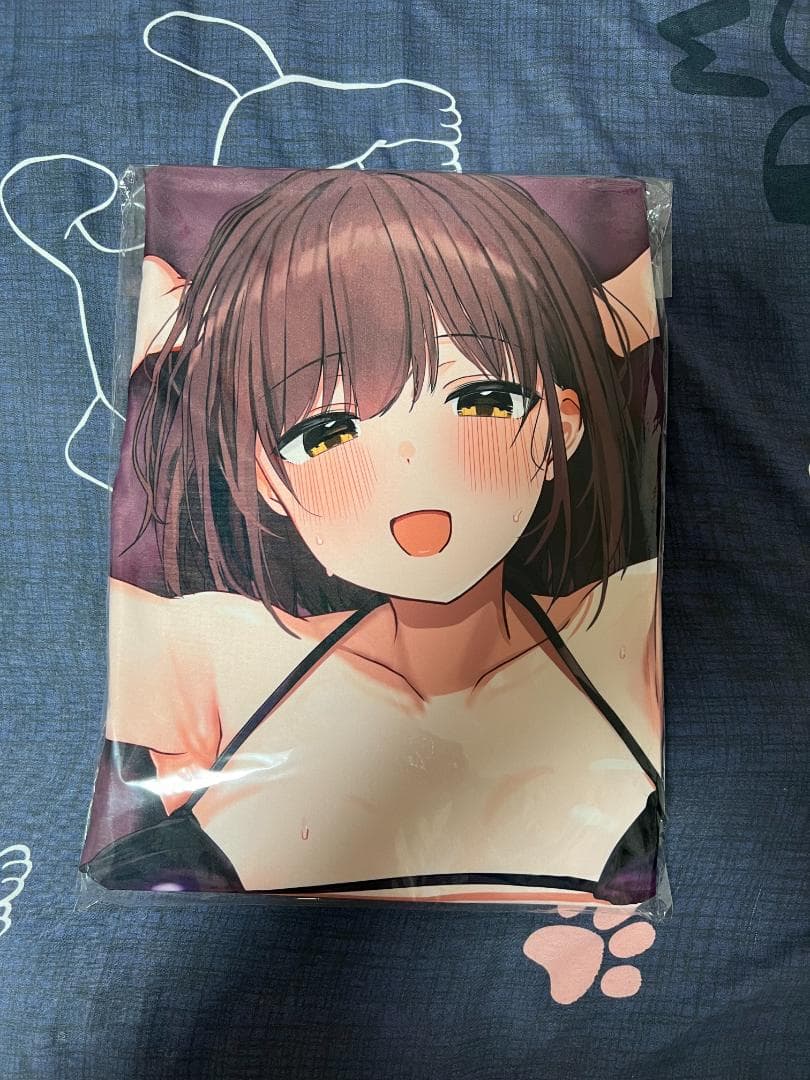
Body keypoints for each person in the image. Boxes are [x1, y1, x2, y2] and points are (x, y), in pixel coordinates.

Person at [84, 170, 664, 904]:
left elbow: (635, 295)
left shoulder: (621, 625)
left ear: (561, 429)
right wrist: (226, 329)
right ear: (267, 479)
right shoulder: (225, 656)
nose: (411, 466)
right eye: (326, 432)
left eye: (481, 399)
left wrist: (549, 311)